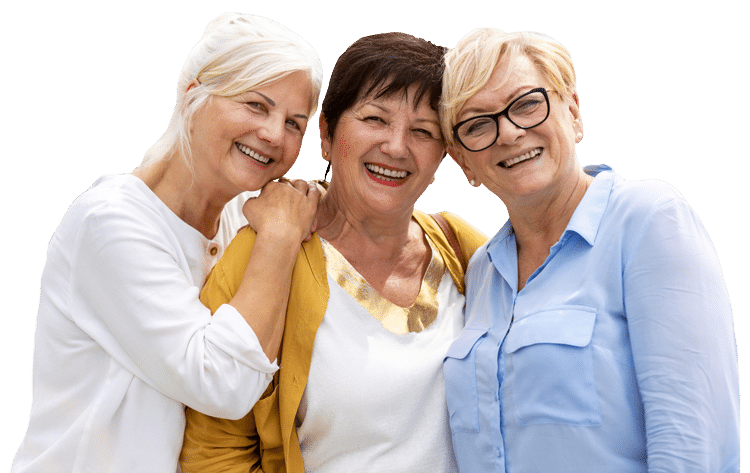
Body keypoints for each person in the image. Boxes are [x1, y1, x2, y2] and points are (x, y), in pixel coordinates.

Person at [11, 12, 323, 473]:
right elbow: (224, 385)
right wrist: (279, 236)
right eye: (257, 105)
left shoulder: (241, 218)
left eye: (295, 123)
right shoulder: (109, 224)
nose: (275, 135)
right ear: (194, 93)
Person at [180, 32, 488, 473]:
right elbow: (214, 452)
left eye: (423, 131)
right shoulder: (267, 250)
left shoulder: (459, 245)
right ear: (326, 133)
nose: (397, 147)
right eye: (375, 119)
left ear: (444, 154)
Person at [439, 27, 740, 472]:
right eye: (478, 124)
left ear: (573, 112)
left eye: (526, 104)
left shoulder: (647, 221)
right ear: (464, 161)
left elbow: (693, 445)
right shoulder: (482, 270)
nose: (508, 133)